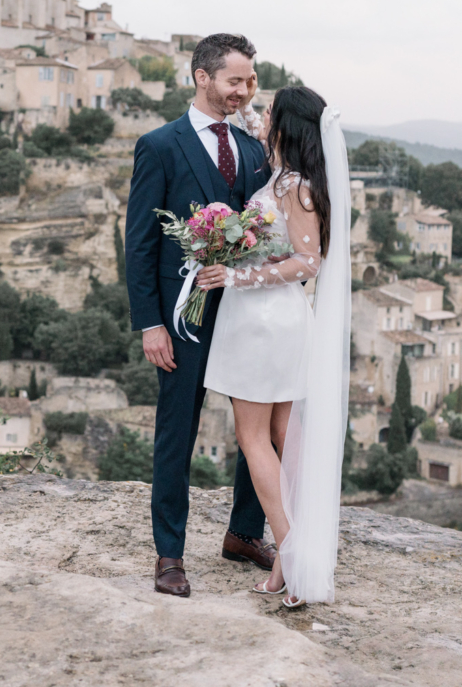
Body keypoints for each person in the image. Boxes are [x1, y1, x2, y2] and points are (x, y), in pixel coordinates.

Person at [124, 33, 274, 598]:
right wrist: (150, 322)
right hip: (182, 317)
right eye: (236, 80)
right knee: (177, 431)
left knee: (261, 426)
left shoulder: (257, 149)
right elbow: (140, 242)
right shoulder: (159, 145)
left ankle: (244, 532)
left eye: (251, 81)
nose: (245, 91)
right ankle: (169, 554)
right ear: (202, 77)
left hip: (248, 309)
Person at [195, 85, 351, 607]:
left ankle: (290, 546)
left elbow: (308, 263)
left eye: (270, 114)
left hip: (265, 322)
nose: (261, 118)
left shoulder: (296, 188)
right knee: (284, 431)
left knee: (254, 437)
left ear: (289, 125)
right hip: (274, 320)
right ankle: (295, 547)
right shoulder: (288, 176)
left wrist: (237, 277)